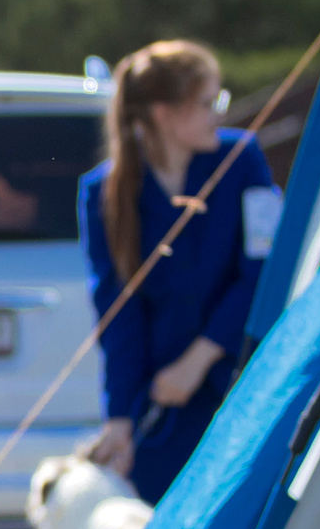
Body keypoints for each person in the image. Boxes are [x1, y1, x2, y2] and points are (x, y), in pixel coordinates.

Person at [79, 40, 277, 504]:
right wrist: (120, 419)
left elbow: (264, 269)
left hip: (241, 382)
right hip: (162, 405)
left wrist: (201, 357)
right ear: (165, 114)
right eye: (208, 103)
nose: (218, 115)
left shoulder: (243, 158)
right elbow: (117, 309)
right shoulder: (102, 193)